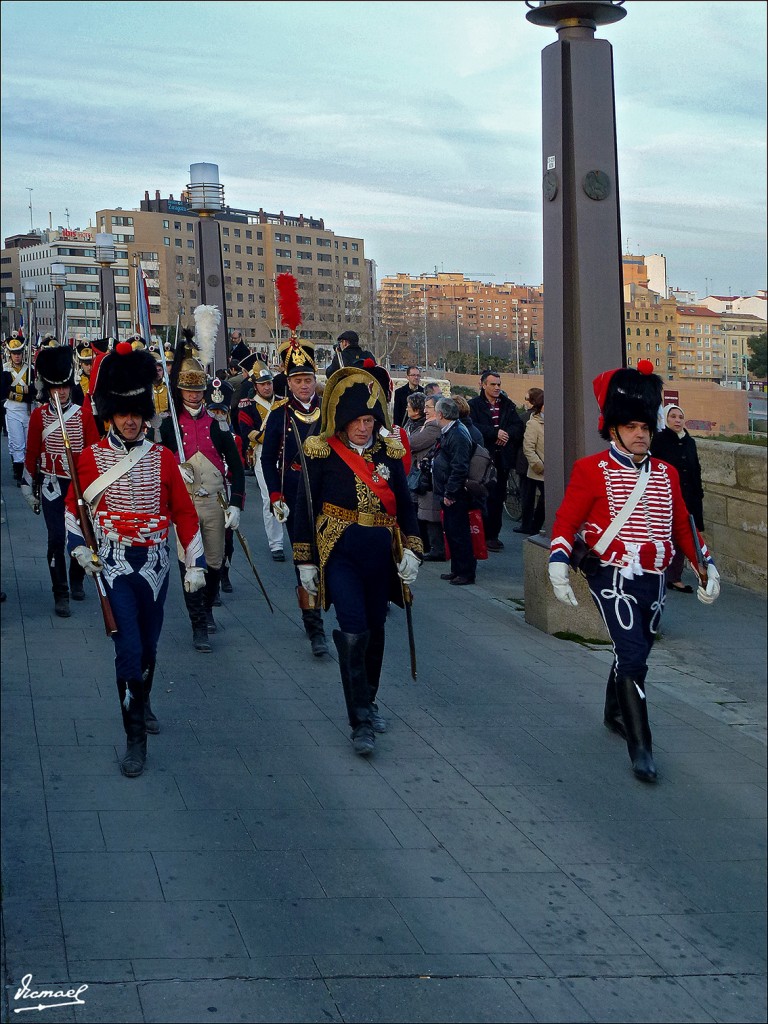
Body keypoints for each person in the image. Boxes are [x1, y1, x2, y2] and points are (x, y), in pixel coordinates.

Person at [548, 361, 721, 784]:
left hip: (655, 577)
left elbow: (683, 524)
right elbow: (568, 521)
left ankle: (612, 710)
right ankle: (641, 747)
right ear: (613, 429)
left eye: (645, 426)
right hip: (611, 573)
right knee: (634, 655)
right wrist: (557, 562)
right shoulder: (591, 470)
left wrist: (704, 564)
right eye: (630, 427)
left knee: (637, 645)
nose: (640, 434)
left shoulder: (667, 472)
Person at [65, 344, 206, 777]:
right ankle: (134, 739)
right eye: (123, 412)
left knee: (147, 645)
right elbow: (75, 508)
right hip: (111, 564)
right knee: (126, 648)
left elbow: (183, 511)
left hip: (156, 565)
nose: (130, 419)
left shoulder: (164, 458)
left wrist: (195, 562)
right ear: (110, 414)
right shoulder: (88, 460)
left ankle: (141, 700)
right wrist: (78, 548)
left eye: (136, 412)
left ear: (146, 414)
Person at [292, 366, 422, 756]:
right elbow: (305, 506)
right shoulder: (323, 451)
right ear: (342, 421)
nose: (364, 428)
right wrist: (305, 561)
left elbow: (406, 505)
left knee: (376, 628)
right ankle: (360, 720)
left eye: (369, 420)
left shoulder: (389, 454)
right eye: (357, 421)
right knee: (353, 628)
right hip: (340, 551)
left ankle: (370, 696)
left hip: (380, 554)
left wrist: (413, 549)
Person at [159, 318, 245, 652]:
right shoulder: (169, 429)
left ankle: (207, 607)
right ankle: (198, 624)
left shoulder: (217, 425)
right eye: (188, 391)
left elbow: (236, 468)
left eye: (198, 390)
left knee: (214, 563)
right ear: (180, 392)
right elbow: (159, 467)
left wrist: (236, 503)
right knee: (190, 565)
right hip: (185, 506)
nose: (193, 396)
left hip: (214, 503)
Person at [261, 335, 329, 656]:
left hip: (329, 497)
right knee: (305, 559)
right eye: (298, 380)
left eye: (308, 379)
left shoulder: (330, 411)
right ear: (288, 382)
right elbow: (267, 459)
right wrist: (276, 495)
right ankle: (313, 623)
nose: (304, 385)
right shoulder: (279, 414)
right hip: (293, 497)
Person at [21, 346, 100, 617]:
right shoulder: (38, 416)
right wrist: (27, 486)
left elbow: (93, 453)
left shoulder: (84, 414)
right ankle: (60, 591)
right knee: (56, 538)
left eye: (65, 386)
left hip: (78, 487)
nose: (61, 392)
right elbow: (31, 452)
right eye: (56, 387)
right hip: (52, 485)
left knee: (80, 535)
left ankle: (76, 578)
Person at [651, 403, 705, 593]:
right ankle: (660, 574)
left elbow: (695, 469)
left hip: (688, 498)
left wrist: (698, 495)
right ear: (666, 419)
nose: (677, 420)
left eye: (680, 417)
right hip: (665, 496)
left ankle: (675, 577)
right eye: (673, 416)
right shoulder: (658, 440)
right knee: (665, 536)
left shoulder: (689, 442)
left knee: (684, 537)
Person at [468, 370, 523, 552]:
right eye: (493, 384)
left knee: (498, 497)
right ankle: (480, 533)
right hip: (482, 457)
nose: (497, 387)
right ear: (483, 385)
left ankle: (493, 535)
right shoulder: (474, 405)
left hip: (502, 458)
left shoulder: (507, 405)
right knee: (482, 496)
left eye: (499, 384)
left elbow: (518, 426)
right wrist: (494, 433)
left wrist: (505, 435)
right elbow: (471, 426)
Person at [237, 363, 287, 561]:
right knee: (269, 498)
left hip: (285, 453)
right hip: (262, 452)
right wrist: (272, 436)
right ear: (255, 386)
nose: (267, 387)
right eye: (262, 384)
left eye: (269, 383)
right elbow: (246, 431)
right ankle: (276, 543)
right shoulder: (247, 406)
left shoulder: (283, 403)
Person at [432, 396, 476, 586]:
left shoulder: (457, 434)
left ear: (440, 414)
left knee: (459, 534)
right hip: (447, 491)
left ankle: (465, 572)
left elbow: (459, 467)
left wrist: (450, 493)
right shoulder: (451, 431)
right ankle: (457, 569)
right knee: (451, 531)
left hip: (455, 494)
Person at [409, 394, 444, 560]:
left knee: (431, 515)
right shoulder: (427, 425)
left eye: (428, 407)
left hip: (429, 479)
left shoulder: (433, 427)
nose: (425, 411)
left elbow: (411, 442)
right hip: (423, 476)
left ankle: (436, 549)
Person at [1, 332, 35, 487]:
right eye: (14, 353)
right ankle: (18, 470)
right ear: (10, 354)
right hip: (13, 409)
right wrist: (24, 391)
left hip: (28, 410)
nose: (17, 356)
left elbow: (34, 391)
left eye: (19, 353)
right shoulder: (5, 370)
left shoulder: (30, 370)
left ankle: (29, 472)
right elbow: (4, 390)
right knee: (17, 443)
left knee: (29, 443)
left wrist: (17, 391)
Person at [519, 388, 545, 535]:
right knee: (543, 499)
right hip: (539, 470)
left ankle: (534, 528)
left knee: (544, 500)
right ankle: (534, 528)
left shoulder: (553, 422)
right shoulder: (533, 423)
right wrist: (540, 466)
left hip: (550, 469)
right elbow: (528, 448)